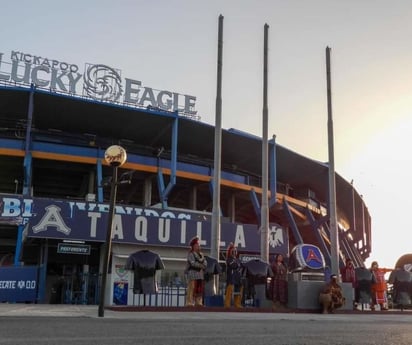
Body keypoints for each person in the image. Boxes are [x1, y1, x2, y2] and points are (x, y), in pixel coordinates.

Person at [185, 236, 207, 307]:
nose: (198, 246)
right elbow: (193, 263)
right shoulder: (191, 254)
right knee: (191, 288)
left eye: (199, 245)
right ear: (193, 246)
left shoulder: (201, 255)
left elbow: (205, 263)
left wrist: (203, 265)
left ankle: (198, 302)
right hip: (192, 273)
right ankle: (189, 302)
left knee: (199, 289)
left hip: (200, 274)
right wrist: (201, 266)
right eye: (197, 245)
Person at [224, 243, 243, 308]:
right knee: (229, 290)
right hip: (231, 277)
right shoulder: (229, 259)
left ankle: (237, 303)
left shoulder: (237, 259)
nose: (234, 252)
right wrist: (237, 265)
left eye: (235, 251)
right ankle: (227, 304)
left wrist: (238, 265)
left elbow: (241, 266)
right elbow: (233, 265)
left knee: (239, 290)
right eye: (233, 251)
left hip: (237, 276)